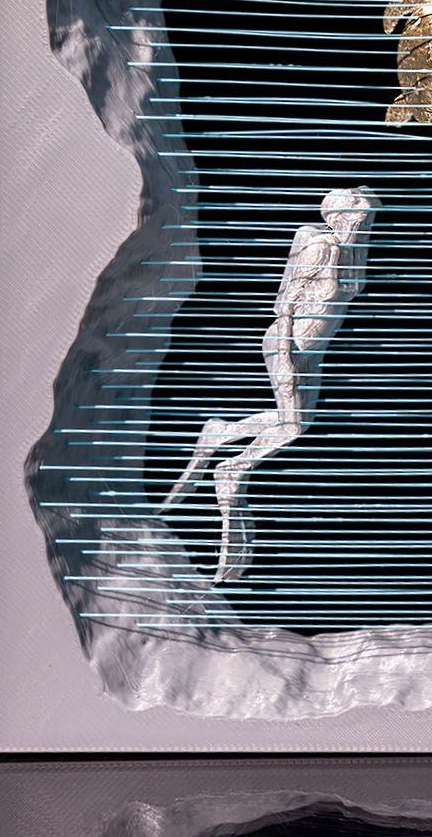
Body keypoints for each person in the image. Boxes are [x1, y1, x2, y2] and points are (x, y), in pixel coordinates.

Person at [160, 185, 380, 583]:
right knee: (291, 426)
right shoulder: (321, 247)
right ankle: (231, 472)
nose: (362, 225)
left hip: (313, 354)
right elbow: (285, 304)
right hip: (287, 345)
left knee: (293, 424)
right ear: (337, 217)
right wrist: (285, 357)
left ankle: (218, 433)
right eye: (357, 218)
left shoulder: (353, 253)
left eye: (366, 220)